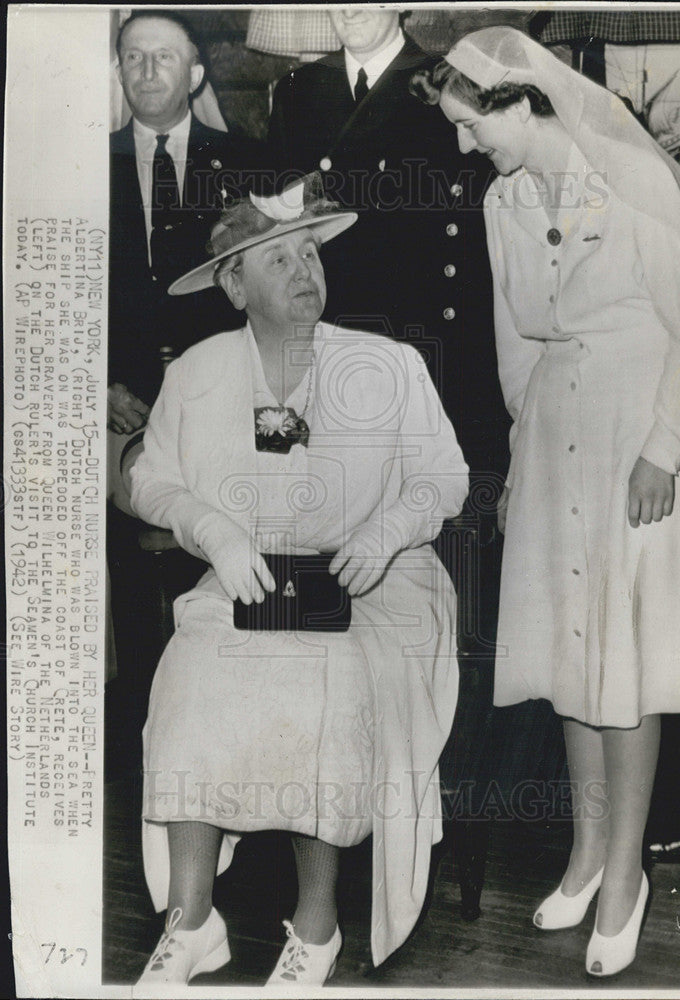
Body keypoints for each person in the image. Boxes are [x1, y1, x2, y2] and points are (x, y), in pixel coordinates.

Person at [412, 26, 680, 978]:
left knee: (627, 659)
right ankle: (586, 856)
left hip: (641, 436)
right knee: (570, 656)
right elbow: (516, 347)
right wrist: (520, 462)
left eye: (474, 127)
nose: (467, 148)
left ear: (522, 102)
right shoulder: (505, 202)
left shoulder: (633, 179)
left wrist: (664, 452)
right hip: (553, 439)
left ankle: (626, 877)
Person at [129, 173, 469, 986]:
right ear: (234, 285)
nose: (303, 271)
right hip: (252, 578)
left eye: (310, 252)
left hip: (380, 581)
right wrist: (211, 530)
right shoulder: (200, 373)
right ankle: (193, 921)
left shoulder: (384, 364)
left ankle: (317, 931)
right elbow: (150, 479)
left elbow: (446, 477)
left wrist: (388, 530)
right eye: (277, 259)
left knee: (330, 672)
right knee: (193, 665)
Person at [267, 9, 508, 479]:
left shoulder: (447, 80)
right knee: (319, 513)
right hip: (327, 349)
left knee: (438, 518)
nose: (350, 9)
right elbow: (278, 236)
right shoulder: (296, 90)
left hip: (433, 352)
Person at [109, 8, 263, 434]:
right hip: (123, 405)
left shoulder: (248, 162)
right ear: (120, 72)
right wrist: (96, 386)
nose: (148, 70)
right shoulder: (87, 164)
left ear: (194, 77)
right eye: (134, 57)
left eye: (164, 56)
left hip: (223, 395)